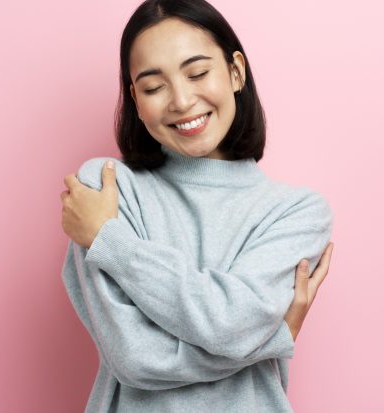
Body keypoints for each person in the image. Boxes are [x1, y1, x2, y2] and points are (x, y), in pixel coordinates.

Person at [60, 0, 334, 411]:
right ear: (135, 98)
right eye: (154, 87)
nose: (182, 101)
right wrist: (270, 338)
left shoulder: (296, 212)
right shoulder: (106, 188)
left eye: (198, 73)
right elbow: (135, 358)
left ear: (236, 72)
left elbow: (229, 324)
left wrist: (109, 240)